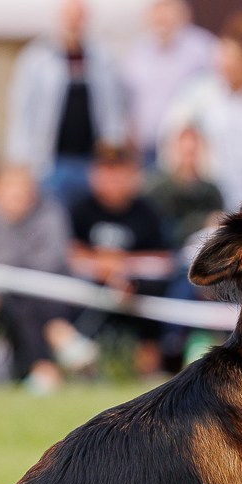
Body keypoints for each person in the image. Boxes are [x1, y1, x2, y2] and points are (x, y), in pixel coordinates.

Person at [0, 164, 97, 392]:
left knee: (29, 301)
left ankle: (44, 368)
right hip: (5, 299)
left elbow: (52, 260)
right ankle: (61, 337)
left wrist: (12, 272)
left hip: (53, 292)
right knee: (21, 300)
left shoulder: (51, 213)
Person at [5, 0, 128, 211]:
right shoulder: (37, 57)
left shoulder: (102, 57)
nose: (74, 23)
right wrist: (20, 158)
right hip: (49, 160)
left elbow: (114, 107)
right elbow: (22, 109)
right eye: (69, 17)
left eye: (78, 18)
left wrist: (112, 151)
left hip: (90, 160)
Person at [68, 145, 171, 377]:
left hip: (137, 290)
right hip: (91, 286)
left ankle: (148, 374)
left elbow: (163, 259)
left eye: (119, 171)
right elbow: (71, 253)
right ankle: (81, 367)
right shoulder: (81, 210)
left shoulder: (147, 212)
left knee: (152, 298)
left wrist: (121, 266)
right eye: (106, 171)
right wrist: (106, 268)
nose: (113, 179)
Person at [161, 18, 242, 211]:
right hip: (208, 195)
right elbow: (173, 132)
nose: (226, 64)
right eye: (223, 56)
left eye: (234, 59)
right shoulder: (199, 93)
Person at [122, 0, 218, 166]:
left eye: (166, 16)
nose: (161, 22)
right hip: (145, 148)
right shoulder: (138, 51)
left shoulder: (201, 48)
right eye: (157, 17)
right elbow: (128, 96)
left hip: (183, 151)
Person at [145, 124, 225, 247]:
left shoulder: (211, 191)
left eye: (193, 152)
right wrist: (203, 222)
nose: (188, 159)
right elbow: (165, 232)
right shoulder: (160, 190)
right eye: (184, 152)